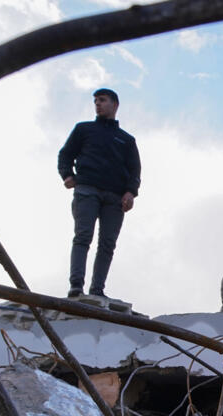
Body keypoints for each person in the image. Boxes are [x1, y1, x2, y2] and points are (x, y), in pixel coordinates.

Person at [57, 88, 141, 298]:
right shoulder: (83, 130)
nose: (97, 104)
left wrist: (131, 192)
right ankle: (76, 285)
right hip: (87, 189)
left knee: (107, 244)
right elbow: (65, 154)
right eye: (95, 101)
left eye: (102, 100)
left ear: (114, 104)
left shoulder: (126, 140)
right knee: (83, 236)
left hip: (115, 197)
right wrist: (67, 175)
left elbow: (135, 170)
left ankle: (97, 289)